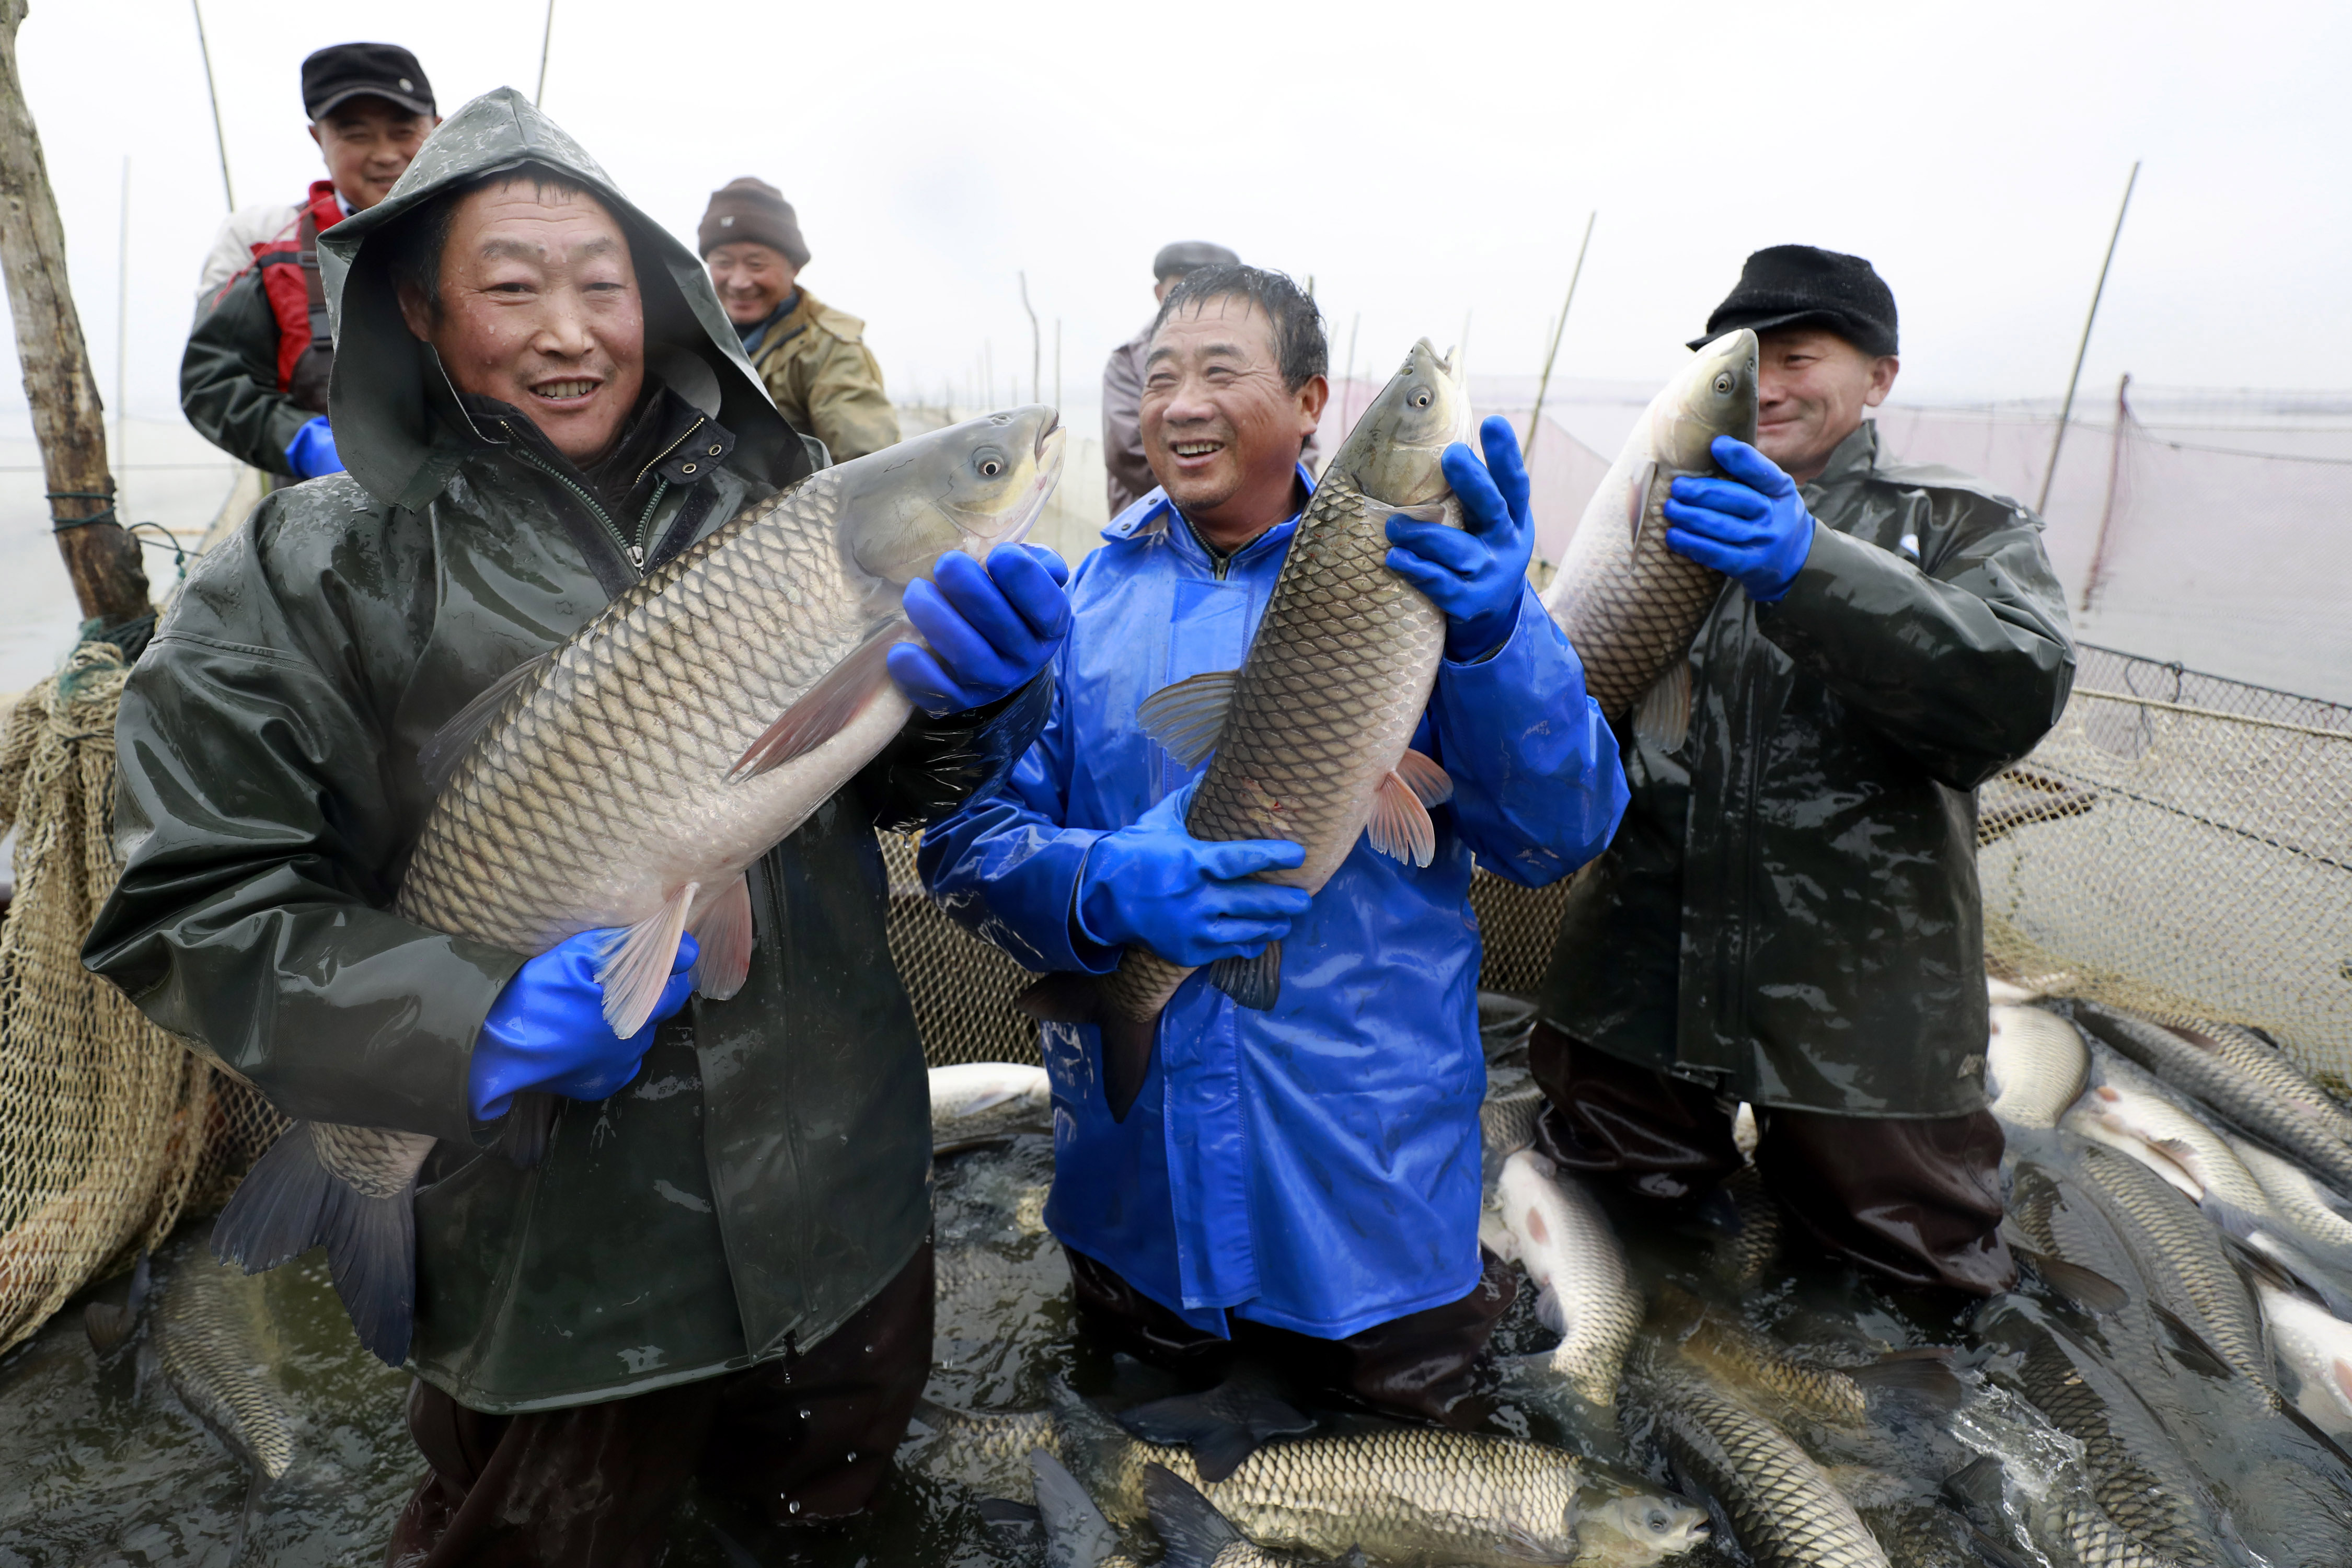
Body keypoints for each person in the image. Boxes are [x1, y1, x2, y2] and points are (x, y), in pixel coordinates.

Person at [86, 90, 1070, 1564]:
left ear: (661, 297)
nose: (568, 330)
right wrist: (469, 1021)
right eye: (510, 287)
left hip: (846, 1210)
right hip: (559, 1277)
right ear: (416, 311)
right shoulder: (303, 568)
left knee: (832, 1529)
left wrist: (974, 708)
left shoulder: (790, 498)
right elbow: (194, 904)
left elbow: (888, 789)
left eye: (604, 285)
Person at [923, 266, 1628, 1424]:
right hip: (1135, 1210)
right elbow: (966, 846)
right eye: (1158, 380)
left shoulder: (1430, 585)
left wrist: (1504, 634)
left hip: (1372, 1201)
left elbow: (1560, 837)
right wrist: (1102, 889)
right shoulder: (1079, 602)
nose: (1181, 404)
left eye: (1218, 373)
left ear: (1311, 404)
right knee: (1137, 1493)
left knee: (1413, 1498)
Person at [1529, 245, 2076, 1295]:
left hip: (1867, 1015)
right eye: (1740, 362)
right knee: (1611, 1252)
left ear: (1881, 376)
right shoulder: (1653, 510)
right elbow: (1565, 707)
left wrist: (1808, 566)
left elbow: (2009, 699)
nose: (1769, 383)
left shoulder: (1960, 521)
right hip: (1636, 984)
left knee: (1916, 1287)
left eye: (1800, 355)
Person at [182, 42, 442, 482]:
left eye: (403, 131)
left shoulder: (489, 237)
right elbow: (213, 384)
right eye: (356, 134)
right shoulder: (263, 243)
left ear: (437, 128)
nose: (384, 154)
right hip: (326, 518)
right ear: (318, 138)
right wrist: (304, 443)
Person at [699, 177, 900, 461]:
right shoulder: (690, 333)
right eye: (723, 263)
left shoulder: (830, 348)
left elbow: (874, 467)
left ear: (793, 267)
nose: (739, 282)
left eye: (756, 264)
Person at [1101, 241, 1237, 516]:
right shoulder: (1129, 362)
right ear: (1160, 293)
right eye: (1185, 290)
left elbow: (1296, 448)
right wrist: (1227, 489)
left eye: (1215, 292)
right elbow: (1128, 454)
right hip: (1151, 537)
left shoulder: (1257, 356)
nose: (1200, 303)